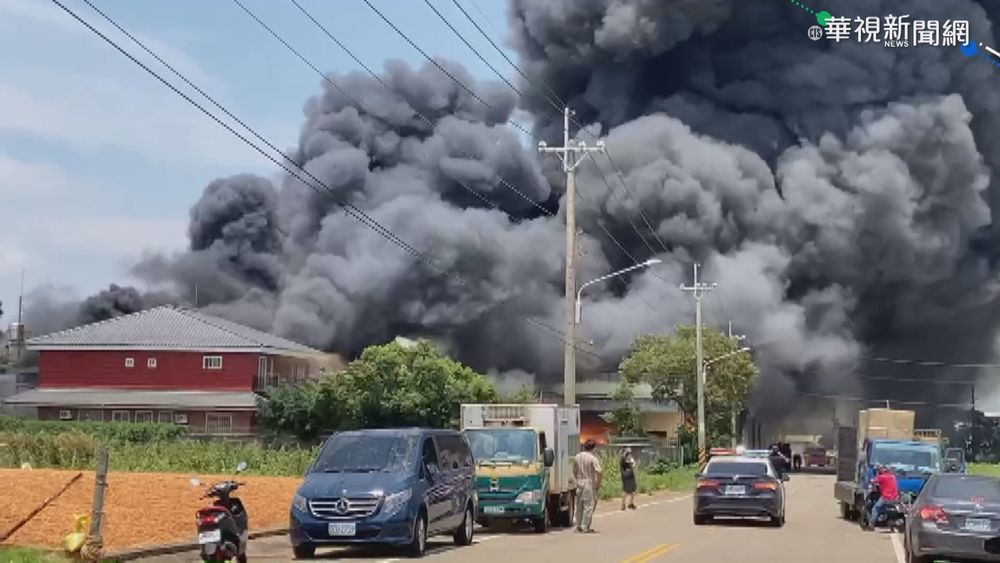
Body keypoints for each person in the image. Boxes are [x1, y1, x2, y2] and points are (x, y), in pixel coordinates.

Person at [573, 439, 603, 533]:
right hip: (588, 483)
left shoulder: (577, 456)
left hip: (579, 483)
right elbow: (599, 472)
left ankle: (578, 525)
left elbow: (574, 470)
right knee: (589, 506)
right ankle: (585, 526)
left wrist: (577, 479)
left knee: (579, 505)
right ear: (593, 448)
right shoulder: (593, 458)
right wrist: (598, 484)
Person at [868, 464, 899, 530]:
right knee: (889, 510)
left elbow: (872, 481)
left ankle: (871, 525)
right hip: (894, 497)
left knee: (875, 509)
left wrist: (875, 476)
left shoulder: (881, 477)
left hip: (886, 497)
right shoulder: (892, 477)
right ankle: (892, 525)